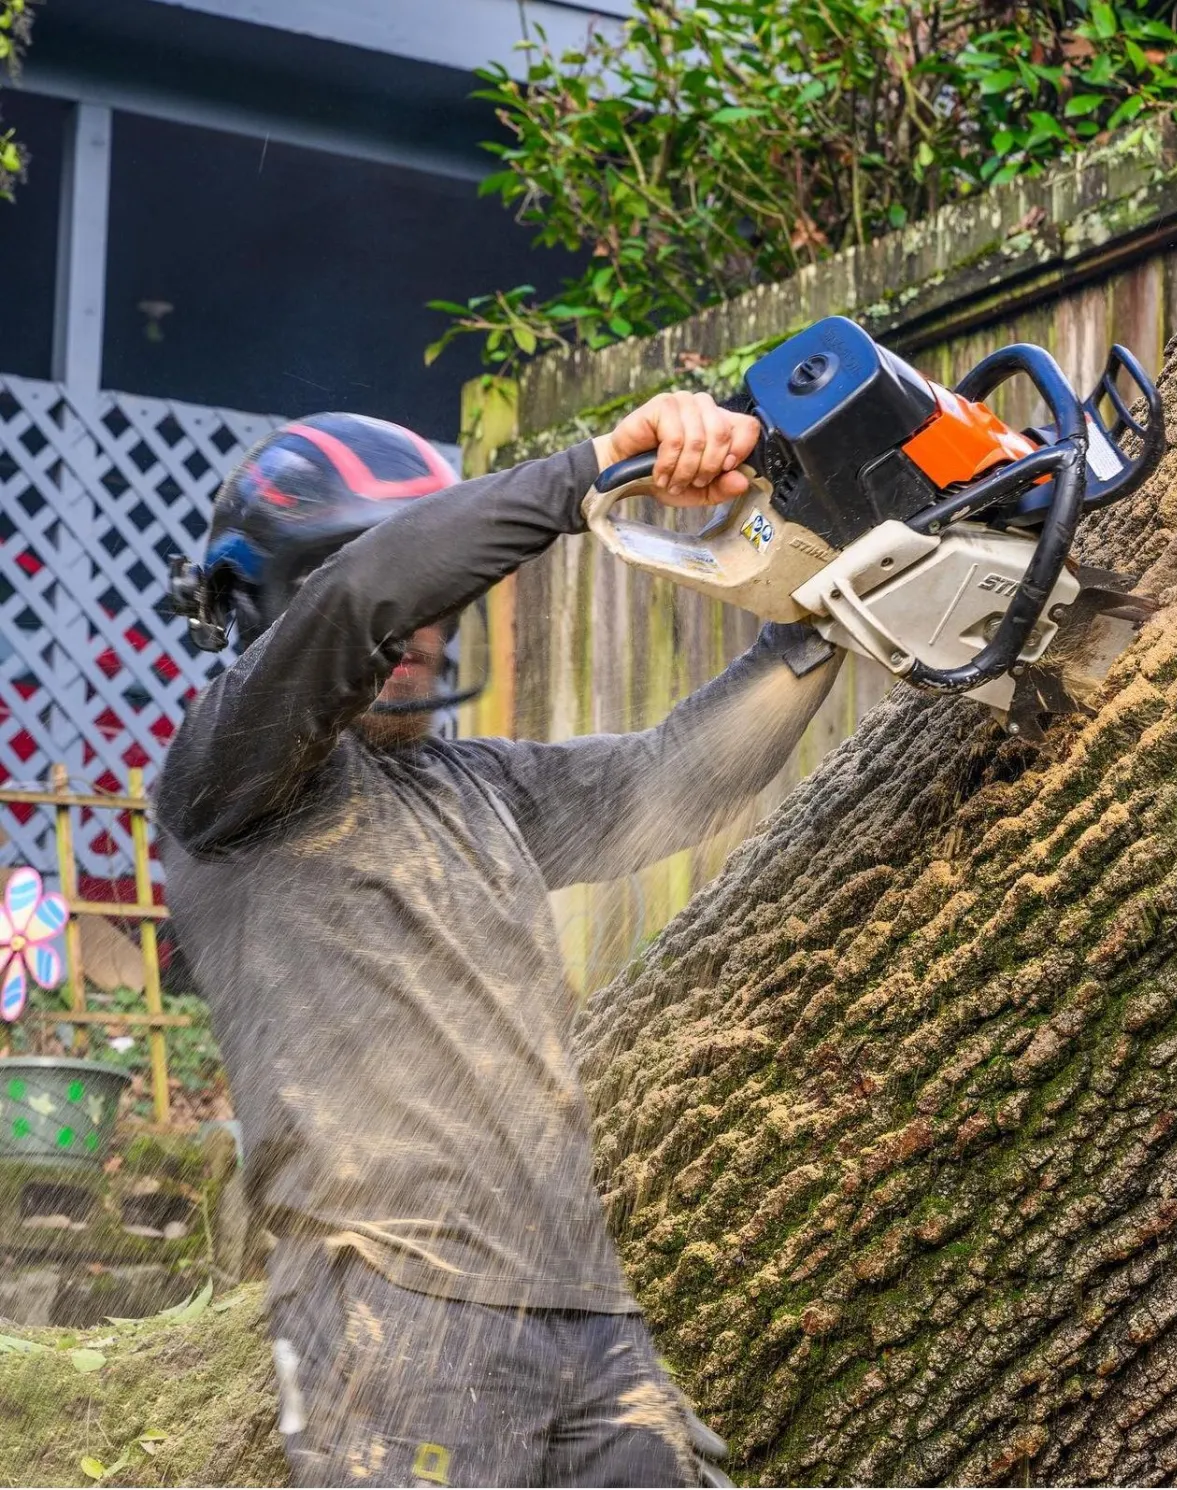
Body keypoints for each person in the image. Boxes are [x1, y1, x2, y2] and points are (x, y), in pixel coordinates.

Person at [157, 393, 842, 1488]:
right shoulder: (224, 783)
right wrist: (592, 468)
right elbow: (358, 600)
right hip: (390, 1313)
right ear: (267, 601)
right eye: (406, 594)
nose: (422, 626)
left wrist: (820, 616)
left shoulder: (477, 785)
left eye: (439, 601)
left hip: (584, 1308)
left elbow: (667, 780)